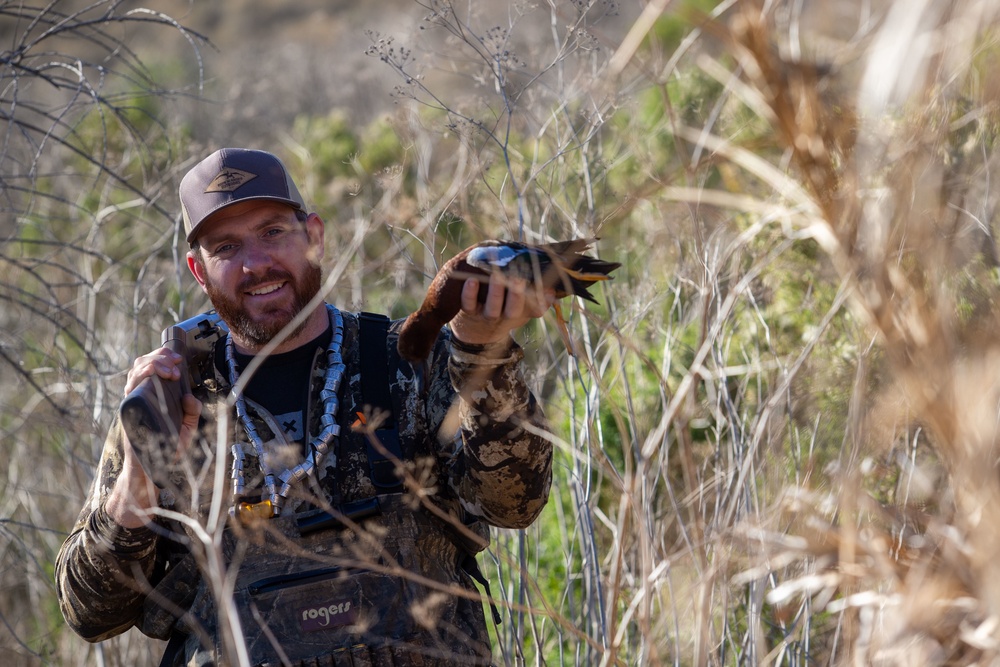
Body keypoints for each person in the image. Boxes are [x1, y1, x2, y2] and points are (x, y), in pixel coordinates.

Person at [55, 148, 555, 666]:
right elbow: (91, 614)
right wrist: (138, 476)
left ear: (314, 237)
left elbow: (514, 506)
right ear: (198, 272)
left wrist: (483, 354)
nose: (256, 264)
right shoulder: (173, 396)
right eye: (226, 247)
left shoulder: (406, 358)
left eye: (273, 232)